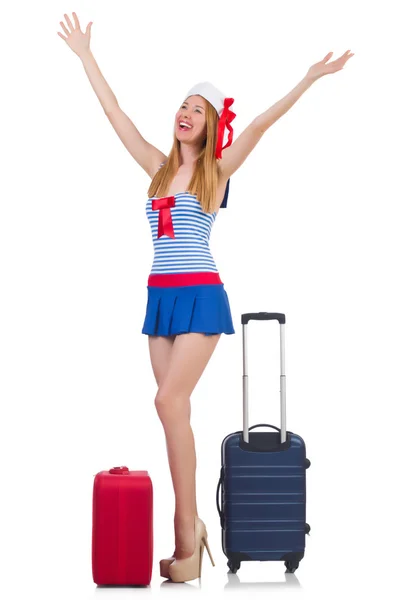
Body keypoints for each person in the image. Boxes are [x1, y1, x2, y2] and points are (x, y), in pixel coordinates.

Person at [57, 12, 353, 583]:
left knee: (168, 403)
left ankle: (186, 529)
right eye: (182, 105)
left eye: (198, 108)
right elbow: (114, 113)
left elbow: (261, 125)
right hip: (160, 299)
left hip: (200, 296)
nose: (185, 112)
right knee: (175, 415)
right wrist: (85, 55)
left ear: (211, 124)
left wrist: (310, 78)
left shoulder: (213, 175)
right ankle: (187, 543)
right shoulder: (154, 167)